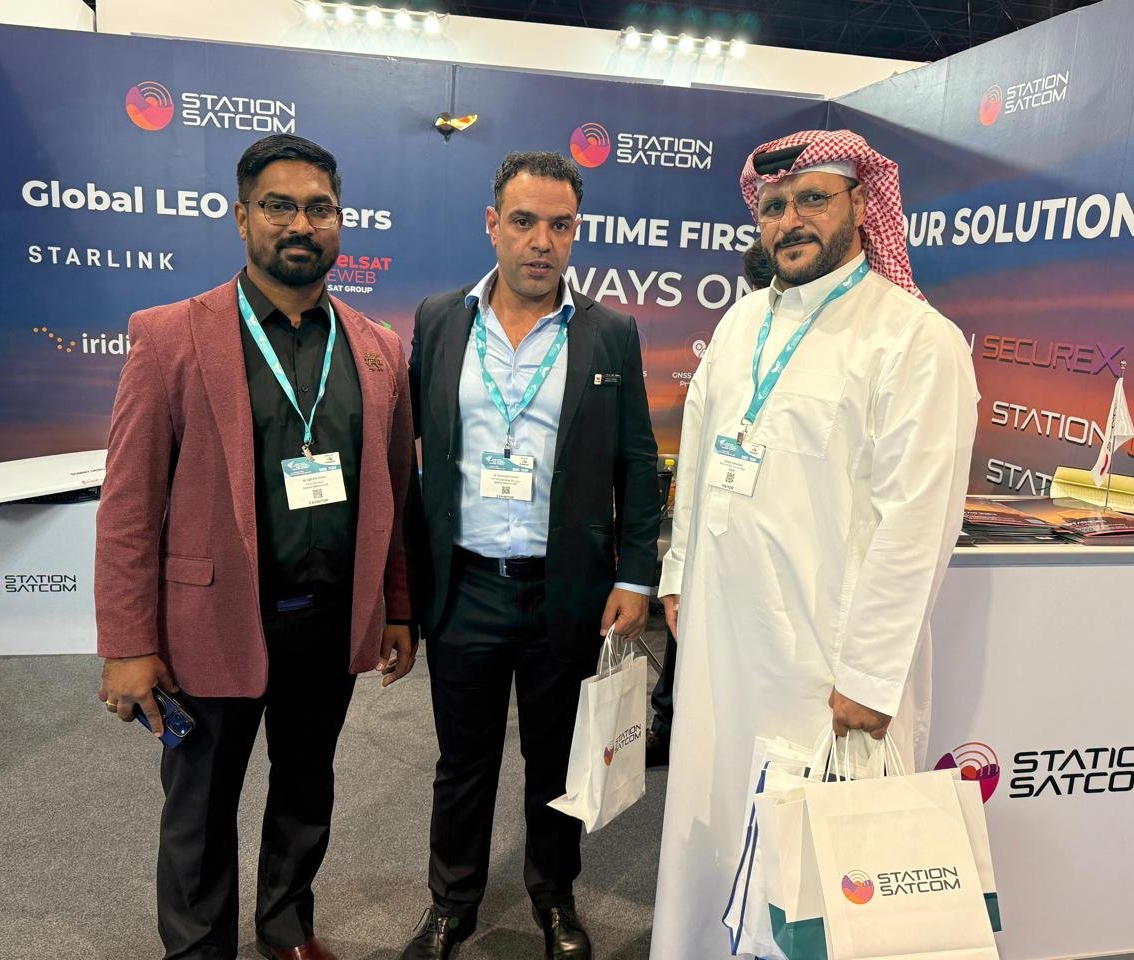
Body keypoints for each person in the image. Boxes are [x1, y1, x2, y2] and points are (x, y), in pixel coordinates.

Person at [649, 129, 979, 959]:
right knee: (716, 819)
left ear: (861, 205)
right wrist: (679, 570)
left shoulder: (914, 338)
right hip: (722, 644)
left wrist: (870, 675)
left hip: (822, 669)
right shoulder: (740, 321)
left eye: (811, 199)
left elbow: (918, 521)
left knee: (813, 879)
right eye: (773, 207)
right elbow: (702, 456)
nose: (789, 220)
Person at [95, 134, 417, 960]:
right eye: (279, 206)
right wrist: (128, 644)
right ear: (242, 218)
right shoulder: (171, 336)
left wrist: (397, 608)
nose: (300, 224)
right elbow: (128, 506)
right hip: (212, 622)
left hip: (329, 621)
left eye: (319, 208)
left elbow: (394, 495)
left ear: (340, 221)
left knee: (307, 787)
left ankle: (285, 926)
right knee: (200, 804)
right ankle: (198, 949)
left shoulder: (379, 349)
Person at [400, 151, 660, 960]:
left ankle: (554, 898)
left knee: (556, 760)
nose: (541, 242)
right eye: (523, 222)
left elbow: (637, 462)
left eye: (559, 225)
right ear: (493, 225)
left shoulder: (610, 333)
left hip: (567, 589)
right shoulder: (440, 320)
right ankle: (452, 904)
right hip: (466, 584)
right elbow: (414, 454)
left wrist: (635, 575)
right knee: (463, 761)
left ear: (575, 232)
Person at [646, 236, 777, 769]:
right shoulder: (737, 330)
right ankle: (674, 724)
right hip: (718, 529)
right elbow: (700, 444)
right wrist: (679, 562)